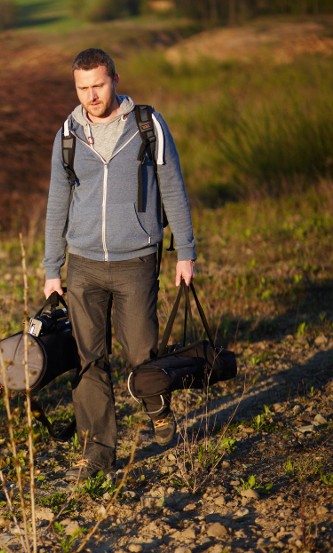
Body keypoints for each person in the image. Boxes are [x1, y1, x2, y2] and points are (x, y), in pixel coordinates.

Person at [42, 48, 196, 481]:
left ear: (115, 79)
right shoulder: (68, 134)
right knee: (88, 358)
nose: (91, 95)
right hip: (83, 263)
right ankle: (98, 450)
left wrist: (185, 250)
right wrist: (52, 267)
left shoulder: (148, 125)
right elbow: (58, 200)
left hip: (137, 261)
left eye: (99, 85)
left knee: (141, 352)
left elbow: (173, 187)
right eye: (83, 87)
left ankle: (157, 406)